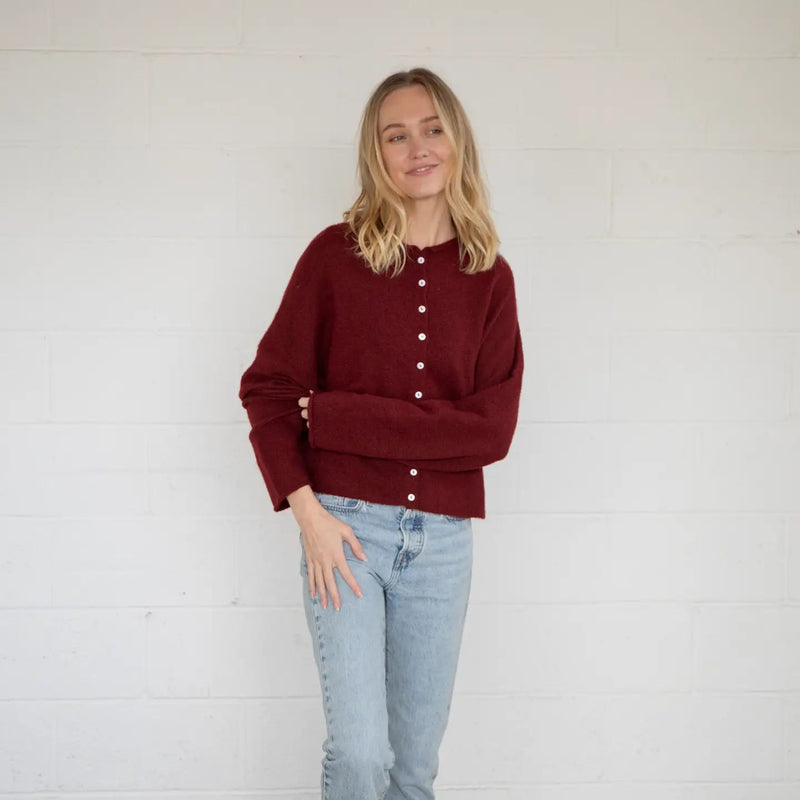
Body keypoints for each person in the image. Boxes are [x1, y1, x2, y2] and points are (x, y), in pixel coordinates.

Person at [238, 66, 524, 800]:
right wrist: (308, 515)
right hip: (344, 534)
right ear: (376, 154)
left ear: (457, 142)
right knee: (362, 755)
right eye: (395, 135)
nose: (417, 148)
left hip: (443, 544)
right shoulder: (335, 257)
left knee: (414, 768)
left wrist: (334, 415)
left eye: (432, 129)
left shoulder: (489, 276)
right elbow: (268, 390)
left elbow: (490, 432)